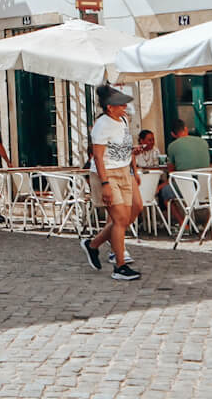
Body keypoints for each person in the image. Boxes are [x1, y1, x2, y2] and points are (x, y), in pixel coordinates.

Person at [82, 85, 142, 281]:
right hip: (108, 173)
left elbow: (120, 147)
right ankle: (120, 266)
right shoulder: (102, 125)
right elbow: (98, 157)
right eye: (120, 104)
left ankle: (92, 245)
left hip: (124, 171)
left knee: (127, 216)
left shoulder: (122, 120)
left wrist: (133, 155)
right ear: (109, 107)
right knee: (120, 219)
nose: (125, 106)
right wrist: (105, 183)